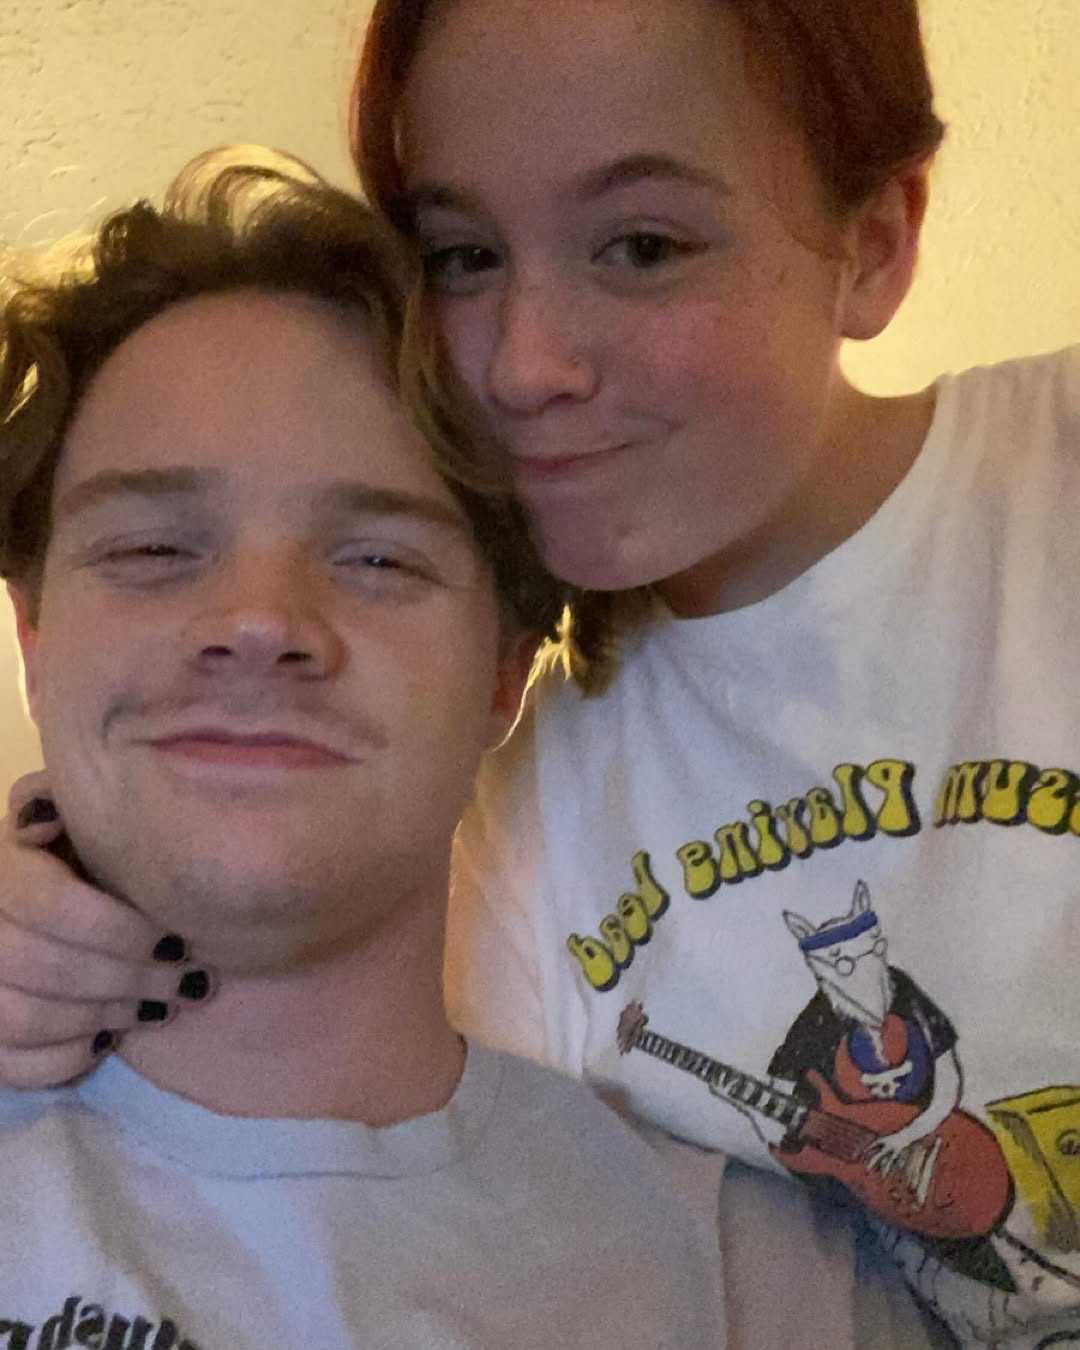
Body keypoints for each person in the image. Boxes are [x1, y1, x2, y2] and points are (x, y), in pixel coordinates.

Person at [1, 0, 1077, 1344]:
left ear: (876, 240)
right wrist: (70, 865)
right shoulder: (516, 829)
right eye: (463, 255)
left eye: (644, 245)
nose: (525, 363)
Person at [0, 151, 725, 1348]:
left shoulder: (741, 1273)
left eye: (380, 558)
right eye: (152, 549)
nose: (257, 621)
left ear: (504, 675)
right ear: (35, 637)